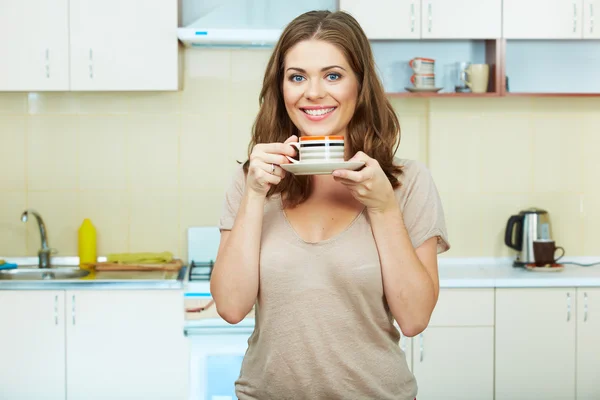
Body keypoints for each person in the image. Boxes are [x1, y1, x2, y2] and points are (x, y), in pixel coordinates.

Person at [210, 9, 450, 400]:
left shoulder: (407, 183)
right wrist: (255, 194)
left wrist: (384, 208)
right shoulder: (253, 179)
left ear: (361, 85)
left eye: (333, 75)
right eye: (297, 77)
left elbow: (414, 318)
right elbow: (231, 307)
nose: (313, 92)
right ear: (281, 87)